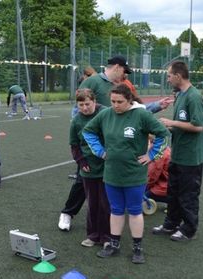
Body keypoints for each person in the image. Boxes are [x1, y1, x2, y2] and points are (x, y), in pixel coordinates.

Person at [58, 55, 173, 231]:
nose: (124, 76)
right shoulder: (94, 82)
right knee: (83, 180)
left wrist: (157, 105)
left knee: (106, 186)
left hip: (112, 147)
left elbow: (133, 110)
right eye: (124, 72)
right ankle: (67, 213)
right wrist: (84, 142)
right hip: (92, 146)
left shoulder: (117, 88)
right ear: (117, 67)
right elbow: (78, 111)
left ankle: (106, 228)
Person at [83, 84, 169, 264]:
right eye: (112, 101)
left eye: (119, 102)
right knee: (115, 210)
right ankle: (114, 245)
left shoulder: (141, 115)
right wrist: (99, 151)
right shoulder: (105, 114)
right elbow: (88, 131)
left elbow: (163, 133)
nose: (115, 105)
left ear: (129, 100)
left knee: (135, 211)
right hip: (112, 174)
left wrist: (152, 155)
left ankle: (137, 248)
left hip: (134, 175)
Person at [152, 61, 203, 242]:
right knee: (173, 192)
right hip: (178, 154)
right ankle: (171, 224)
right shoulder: (180, 95)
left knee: (188, 195)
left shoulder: (193, 96)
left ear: (178, 75)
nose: (167, 79)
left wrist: (171, 123)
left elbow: (197, 126)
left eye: (169, 75)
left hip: (190, 157)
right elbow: (182, 126)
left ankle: (189, 229)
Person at [69, 89, 110, 247]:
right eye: (81, 105)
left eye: (88, 104)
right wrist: (81, 162)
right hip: (88, 169)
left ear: (94, 101)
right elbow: (74, 145)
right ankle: (93, 235)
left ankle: (107, 237)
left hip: (108, 166)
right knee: (92, 202)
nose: (85, 108)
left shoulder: (106, 113)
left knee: (106, 203)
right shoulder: (77, 121)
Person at [145, 135, 171, 204]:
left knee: (143, 194)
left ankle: (173, 201)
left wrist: (145, 187)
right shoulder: (164, 147)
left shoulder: (159, 154)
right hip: (166, 181)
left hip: (166, 185)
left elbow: (153, 176)